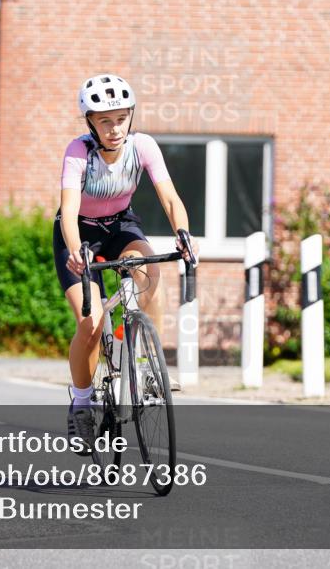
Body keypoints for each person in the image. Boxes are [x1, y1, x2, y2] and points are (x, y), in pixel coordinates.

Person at [54, 73, 199, 451]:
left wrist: (182, 233)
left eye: (121, 118)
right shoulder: (78, 152)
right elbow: (69, 211)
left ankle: (149, 364)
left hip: (120, 225)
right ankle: (81, 405)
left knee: (149, 272)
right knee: (92, 321)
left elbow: (169, 198)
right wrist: (75, 250)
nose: (114, 128)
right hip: (79, 233)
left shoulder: (144, 146)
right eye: (105, 120)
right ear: (90, 123)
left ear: (130, 117)